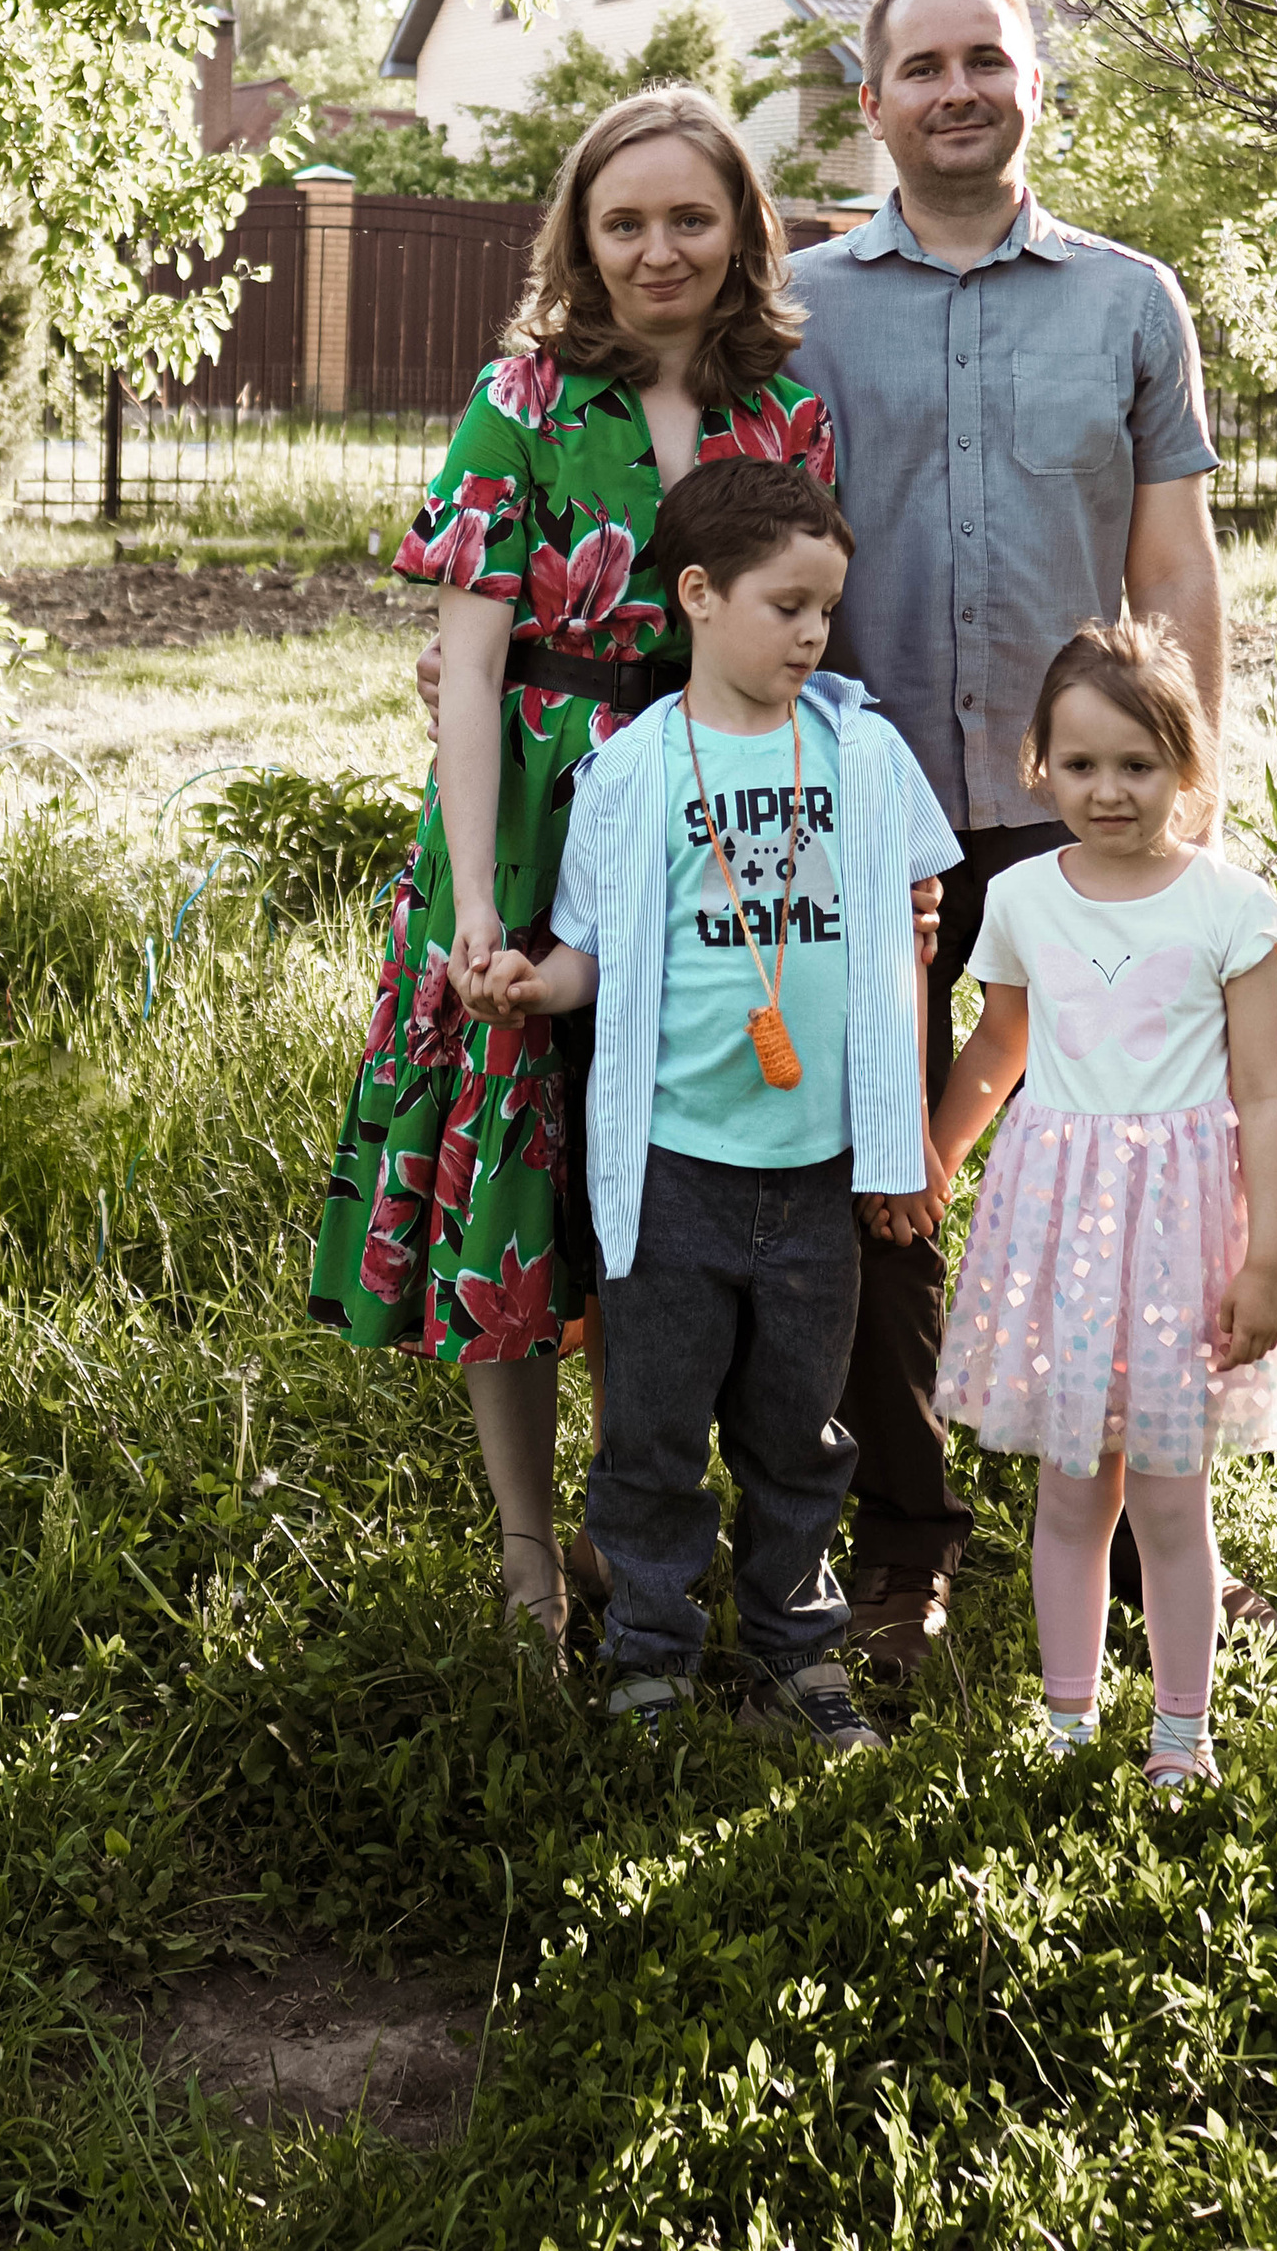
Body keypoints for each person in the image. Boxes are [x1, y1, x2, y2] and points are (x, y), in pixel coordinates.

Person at [307, 90, 837, 1649]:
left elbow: (804, 631)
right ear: (581, 241)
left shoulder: (785, 408)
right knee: (515, 1174)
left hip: (706, 807)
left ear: (742, 226)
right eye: (625, 222)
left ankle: (655, 1516)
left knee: (667, 1180)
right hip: (535, 810)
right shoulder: (521, 395)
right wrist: (477, 898)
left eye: (691, 217)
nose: (659, 249)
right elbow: (467, 668)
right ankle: (532, 1550)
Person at [782, 0, 1227, 1672]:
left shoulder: (1131, 302)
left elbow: (1174, 558)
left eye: (990, 59)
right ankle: (907, 1537)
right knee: (872, 1179)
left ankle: (1130, 1545)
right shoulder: (802, 307)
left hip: (1083, 822)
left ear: (1036, 85)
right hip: (858, 815)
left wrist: (1190, 797)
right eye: (925, 64)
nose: (958, 87)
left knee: (1116, 1171)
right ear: (875, 97)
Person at [467, 458, 957, 1750]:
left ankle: (798, 1651)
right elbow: (591, 957)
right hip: (673, 1166)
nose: (813, 632)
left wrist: (898, 1141)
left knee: (803, 1431)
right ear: (696, 594)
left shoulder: (863, 753)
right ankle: (649, 1653)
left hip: (813, 1172)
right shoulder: (629, 777)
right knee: (653, 1430)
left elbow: (911, 956)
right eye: (787, 604)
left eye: (825, 611)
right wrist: (531, 982)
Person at [927, 620, 1277, 1780]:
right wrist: (940, 1154)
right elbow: (999, 1042)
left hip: (1181, 1240)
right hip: (1059, 1234)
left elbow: (1263, 1095)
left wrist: (1266, 1262)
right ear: (1039, 762)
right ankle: (1066, 1719)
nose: (1109, 790)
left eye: (1138, 765)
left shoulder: (1231, 909)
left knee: (1167, 1497)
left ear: (1185, 769)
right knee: (1068, 1490)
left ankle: (1181, 1734)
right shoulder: (1023, 898)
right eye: (1082, 763)